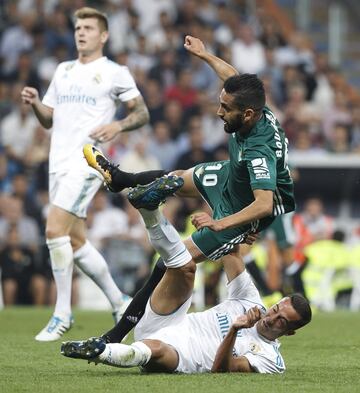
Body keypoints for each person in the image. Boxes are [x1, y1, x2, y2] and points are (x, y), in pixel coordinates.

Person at [60, 34, 297, 346]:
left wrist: (219, 222)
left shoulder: (258, 151)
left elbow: (264, 204)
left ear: (248, 115)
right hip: (231, 176)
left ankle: (114, 336)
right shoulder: (254, 107)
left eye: (225, 108)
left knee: (171, 260)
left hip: (241, 210)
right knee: (174, 179)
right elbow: (231, 77)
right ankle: (120, 178)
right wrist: (204, 55)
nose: (219, 112)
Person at [61, 182, 311, 374]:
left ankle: (101, 351)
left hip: (183, 356)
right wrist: (230, 229)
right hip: (170, 320)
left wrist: (236, 328)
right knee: (185, 267)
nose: (271, 317)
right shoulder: (252, 301)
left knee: (154, 349)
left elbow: (221, 369)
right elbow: (231, 254)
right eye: (276, 309)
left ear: (289, 333)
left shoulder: (270, 359)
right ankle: (149, 210)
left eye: (281, 321)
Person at [20, 7, 150, 341]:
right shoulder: (62, 71)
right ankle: (119, 300)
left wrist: (118, 124)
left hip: (88, 161)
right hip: (58, 162)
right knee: (74, 241)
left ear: (103, 35)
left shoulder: (115, 73)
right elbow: (49, 118)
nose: (81, 32)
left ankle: (62, 312)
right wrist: (36, 103)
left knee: (53, 229)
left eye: (89, 28)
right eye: (78, 27)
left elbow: (142, 112)